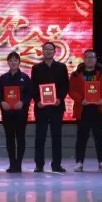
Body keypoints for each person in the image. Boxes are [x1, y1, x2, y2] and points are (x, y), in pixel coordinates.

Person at [68, 50, 102, 172]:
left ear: (96, 59)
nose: (90, 59)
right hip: (83, 110)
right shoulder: (76, 74)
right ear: (84, 59)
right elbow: (71, 90)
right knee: (81, 138)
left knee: (100, 137)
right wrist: (80, 99)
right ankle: (79, 163)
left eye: (92, 57)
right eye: (87, 57)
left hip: (98, 109)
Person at [31, 42, 70, 172]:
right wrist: (38, 100)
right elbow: (33, 86)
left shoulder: (61, 67)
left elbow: (65, 85)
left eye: (50, 49)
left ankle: (56, 164)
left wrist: (60, 98)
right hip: (41, 107)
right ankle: (39, 164)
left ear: (54, 51)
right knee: (40, 137)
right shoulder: (36, 68)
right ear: (42, 51)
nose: (48, 51)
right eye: (45, 49)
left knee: (56, 136)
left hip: (56, 107)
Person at [0, 51, 33, 172]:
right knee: (9, 138)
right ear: (7, 62)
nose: (13, 62)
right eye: (10, 60)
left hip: (21, 113)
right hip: (7, 113)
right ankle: (12, 164)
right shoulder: (2, 78)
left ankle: (19, 164)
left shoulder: (25, 78)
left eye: (15, 60)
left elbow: (30, 93)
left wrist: (22, 101)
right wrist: (2, 102)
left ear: (19, 62)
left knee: (20, 137)